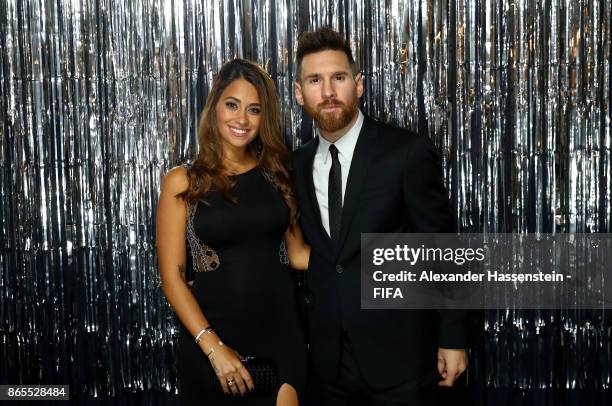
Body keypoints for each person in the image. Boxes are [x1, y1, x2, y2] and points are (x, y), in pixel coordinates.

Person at [291, 28, 468, 405]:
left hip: (399, 357)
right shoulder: (296, 164)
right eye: (314, 80)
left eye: (338, 78)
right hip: (327, 364)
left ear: (358, 85)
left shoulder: (406, 153)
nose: (327, 92)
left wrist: (453, 338)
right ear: (298, 92)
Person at [156, 59, 309, 406]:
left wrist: (372, 260)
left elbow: (299, 255)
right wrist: (214, 349)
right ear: (215, 104)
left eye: (253, 110)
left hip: (281, 340)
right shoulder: (183, 182)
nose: (241, 119)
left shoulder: (278, 174)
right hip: (212, 347)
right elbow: (172, 278)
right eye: (232, 105)